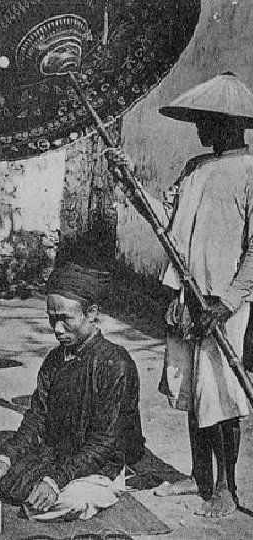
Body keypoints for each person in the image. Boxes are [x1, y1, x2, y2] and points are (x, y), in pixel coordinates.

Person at [107, 72, 253, 518]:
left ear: (232, 123)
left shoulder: (251, 171)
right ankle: (199, 477)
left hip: (223, 303)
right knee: (191, 391)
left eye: (208, 121)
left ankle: (226, 489)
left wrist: (227, 301)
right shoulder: (194, 168)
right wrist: (130, 181)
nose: (200, 129)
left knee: (220, 394)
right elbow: (163, 219)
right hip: (187, 299)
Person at [0, 263, 146, 521]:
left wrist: (55, 481)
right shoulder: (54, 359)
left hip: (97, 466)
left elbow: (104, 443)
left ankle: (30, 494)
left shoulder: (116, 363)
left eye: (66, 319)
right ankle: (23, 488)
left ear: (91, 313)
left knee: (70, 498)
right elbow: (36, 420)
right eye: (52, 319)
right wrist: (6, 457)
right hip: (52, 454)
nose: (57, 329)